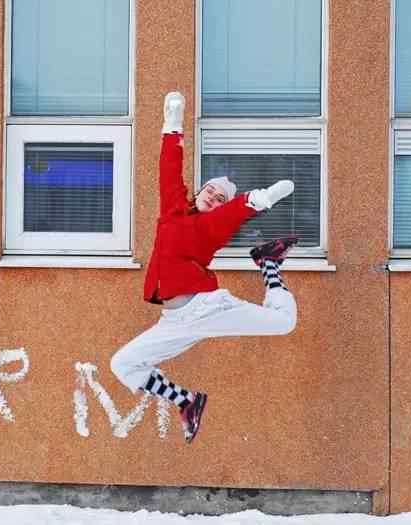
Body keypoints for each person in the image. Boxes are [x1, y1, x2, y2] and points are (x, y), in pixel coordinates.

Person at [110, 91, 299, 444]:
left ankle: (269, 264)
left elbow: (232, 214)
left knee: (284, 323)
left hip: (205, 308)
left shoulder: (211, 228)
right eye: (210, 191)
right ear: (198, 192)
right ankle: (188, 401)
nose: (214, 198)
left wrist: (258, 199)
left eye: (220, 198)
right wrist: (172, 126)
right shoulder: (173, 211)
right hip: (176, 320)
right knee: (123, 364)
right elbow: (169, 171)